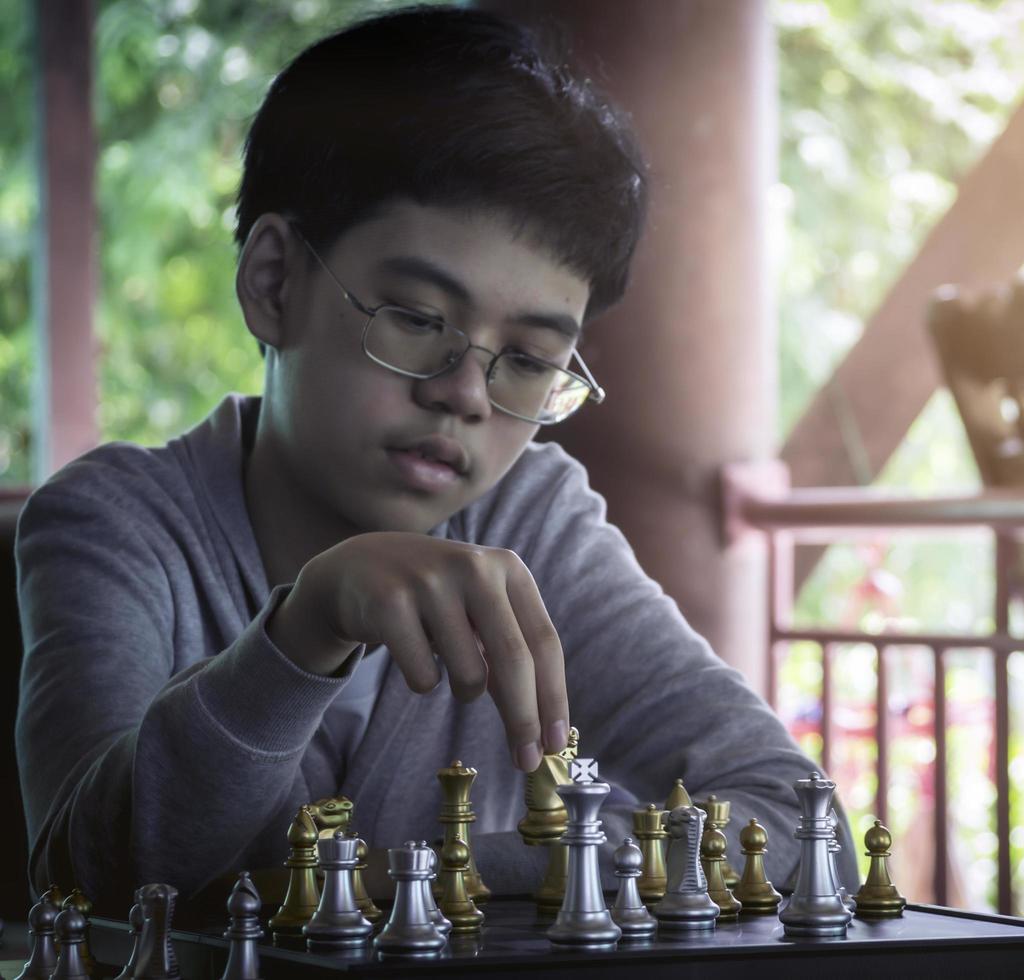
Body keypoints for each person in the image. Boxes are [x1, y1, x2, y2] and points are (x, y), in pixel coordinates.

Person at [16, 4, 855, 906]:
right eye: (417, 319)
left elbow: (801, 828)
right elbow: (87, 878)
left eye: (529, 360)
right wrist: (304, 632)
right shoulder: (115, 522)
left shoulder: (529, 519)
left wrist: (400, 882)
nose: (463, 392)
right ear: (274, 282)